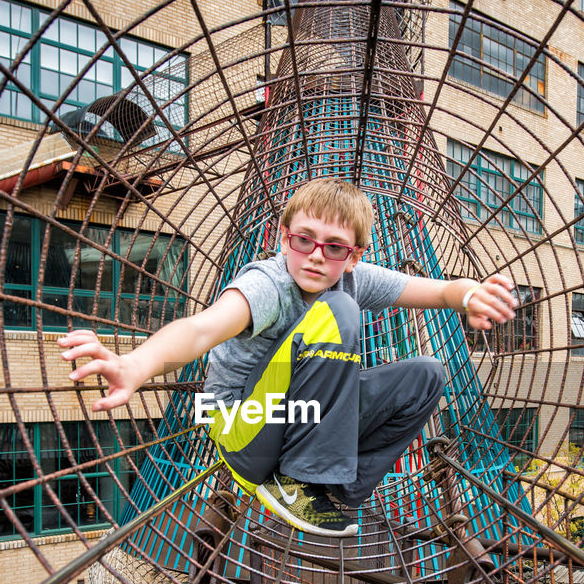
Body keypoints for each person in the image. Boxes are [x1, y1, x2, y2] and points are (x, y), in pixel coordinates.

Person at [59, 178, 516, 537]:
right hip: (244, 427)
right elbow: (203, 329)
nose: (316, 257)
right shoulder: (268, 284)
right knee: (338, 312)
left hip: (295, 418)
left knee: (427, 375)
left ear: (353, 256)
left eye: (334, 247)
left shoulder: (352, 278)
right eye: (304, 240)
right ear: (284, 238)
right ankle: (295, 483)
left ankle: (336, 491)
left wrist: (471, 295)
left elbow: (438, 292)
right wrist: (136, 364)